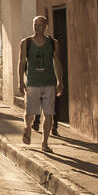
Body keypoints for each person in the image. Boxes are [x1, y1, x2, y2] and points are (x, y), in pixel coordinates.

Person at [18, 16, 64, 153]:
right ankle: (27, 127)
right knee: (30, 112)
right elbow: (21, 63)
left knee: (48, 114)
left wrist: (60, 82)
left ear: (46, 26)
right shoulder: (26, 42)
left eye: (40, 25)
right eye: (35, 25)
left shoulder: (53, 43)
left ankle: (45, 143)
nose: (37, 27)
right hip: (32, 83)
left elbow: (58, 62)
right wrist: (20, 81)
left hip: (49, 83)